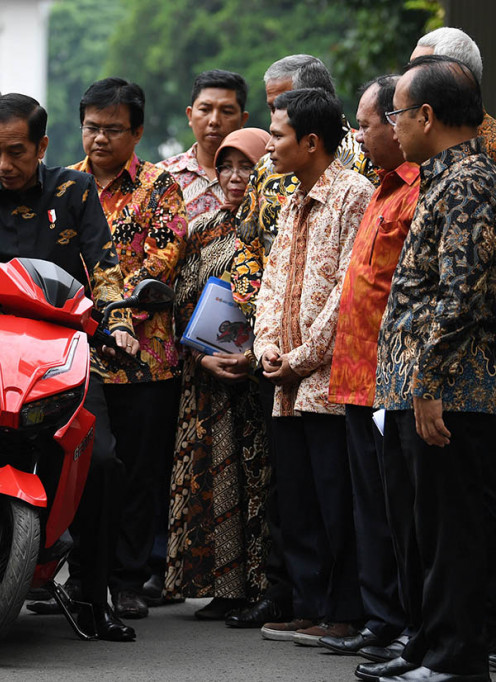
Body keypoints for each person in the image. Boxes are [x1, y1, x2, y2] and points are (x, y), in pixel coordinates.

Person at [0, 92, 139, 642]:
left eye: (17, 153)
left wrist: (118, 321)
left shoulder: (75, 191)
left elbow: (104, 267)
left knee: (100, 462)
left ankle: (93, 595)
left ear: (42, 146)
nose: (4, 165)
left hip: (66, 353)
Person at [225, 54, 375, 631]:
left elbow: (347, 293)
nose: (270, 146)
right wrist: (267, 348)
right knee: (299, 502)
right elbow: (272, 282)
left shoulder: (353, 194)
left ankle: (342, 613)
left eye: (279, 135)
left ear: (311, 142)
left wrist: (298, 360)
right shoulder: (288, 198)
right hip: (284, 382)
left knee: (337, 502)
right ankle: (310, 608)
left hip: (328, 383)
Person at [358, 55, 496, 682]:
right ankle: (429, 643)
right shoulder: (443, 177)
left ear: (428, 116)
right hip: (430, 385)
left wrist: (431, 381)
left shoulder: (469, 180)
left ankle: (455, 658)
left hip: (455, 388)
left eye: (398, 113)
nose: (394, 124)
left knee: (454, 531)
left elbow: (461, 293)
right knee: (428, 528)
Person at [70, 77, 187, 620]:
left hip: (146, 360)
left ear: (137, 132)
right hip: (78, 357)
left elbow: (163, 256)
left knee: (140, 473)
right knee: (89, 468)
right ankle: (82, 578)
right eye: (92, 127)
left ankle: (128, 580)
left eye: (113, 129)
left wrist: (105, 303)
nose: (100, 139)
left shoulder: (160, 187)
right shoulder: (64, 187)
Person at [321, 76, 418, 663]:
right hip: (356, 376)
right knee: (369, 510)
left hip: (394, 378)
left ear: (396, 123)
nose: (358, 134)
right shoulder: (381, 189)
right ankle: (381, 621)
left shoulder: (417, 190)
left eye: (366, 123)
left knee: (399, 513)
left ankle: (410, 626)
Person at [166, 127, 271, 621]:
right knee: (212, 477)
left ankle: (260, 587)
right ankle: (222, 587)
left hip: (257, 379)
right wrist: (202, 355)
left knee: (255, 479)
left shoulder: (272, 227)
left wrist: (250, 357)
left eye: (246, 167)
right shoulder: (203, 227)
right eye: (226, 166)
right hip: (204, 374)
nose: (233, 177)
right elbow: (177, 300)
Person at [156, 70, 248, 226]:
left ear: (242, 120)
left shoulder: (261, 178)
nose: (214, 121)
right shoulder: (161, 178)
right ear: (190, 115)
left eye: (226, 112)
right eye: (205, 110)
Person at [410, 27, 496, 158]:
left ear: (452, 78)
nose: (407, 80)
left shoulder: (490, 149)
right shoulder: (416, 142)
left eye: (418, 72)